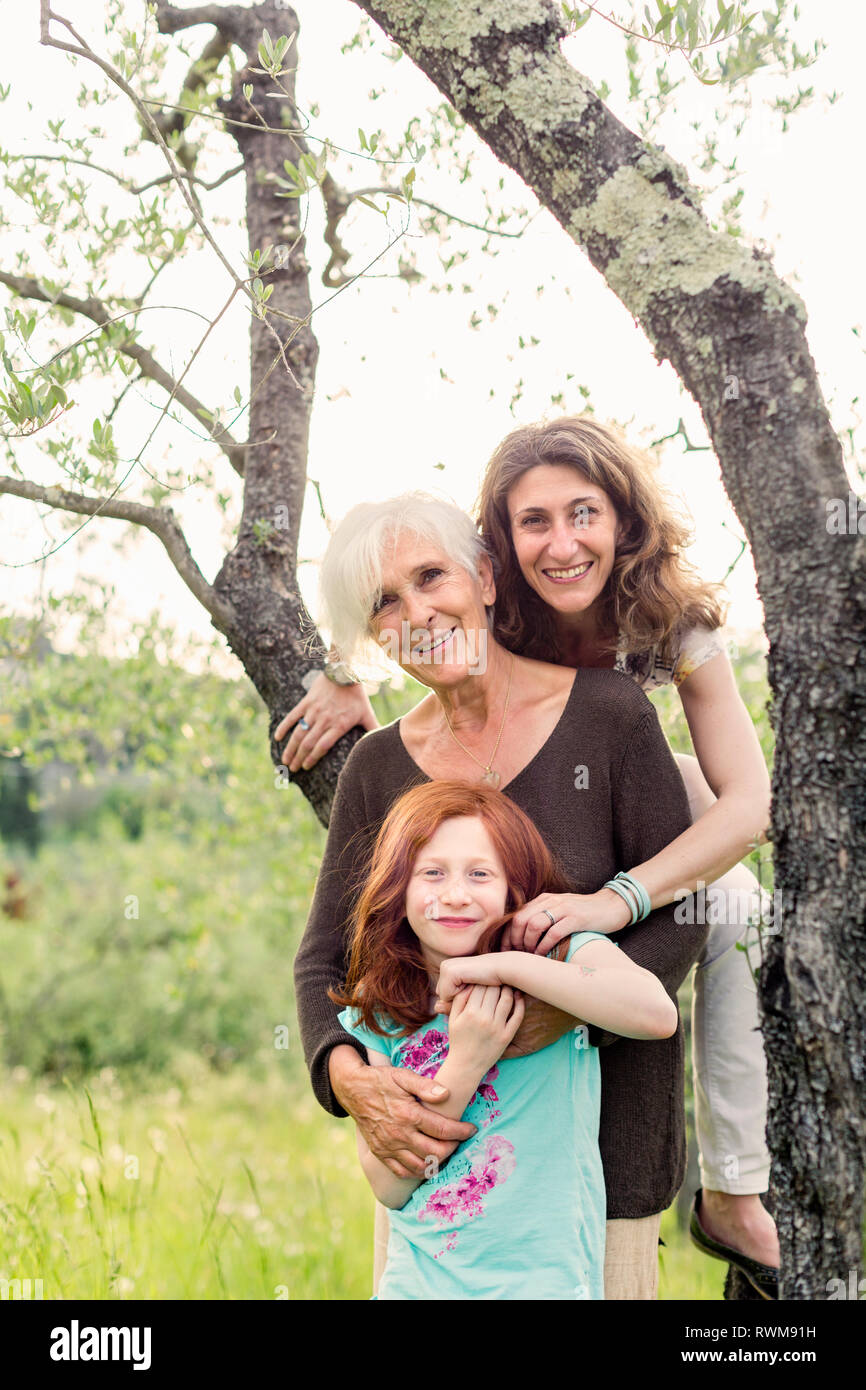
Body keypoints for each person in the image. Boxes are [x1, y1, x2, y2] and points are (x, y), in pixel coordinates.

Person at [279, 417, 779, 1293]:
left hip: (597, 1162)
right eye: (384, 604)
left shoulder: (613, 712)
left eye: (431, 577)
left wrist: (561, 1009)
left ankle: (735, 1194)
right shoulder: (378, 764)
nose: (416, 613)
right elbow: (327, 955)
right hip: (436, 1175)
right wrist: (349, 1077)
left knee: (736, 902)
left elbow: (686, 913)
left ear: (481, 576)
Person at [332, 779, 677, 1300]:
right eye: (431, 873)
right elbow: (390, 1184)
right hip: (418, 1287)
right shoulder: (377, 1008)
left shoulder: (558, 957)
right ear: (397, 888)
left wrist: (504, 965)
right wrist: (466, 1061)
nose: (454, 894)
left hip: (548, 1286)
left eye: (479, 874)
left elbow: (654, 1013)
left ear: (514, 888)